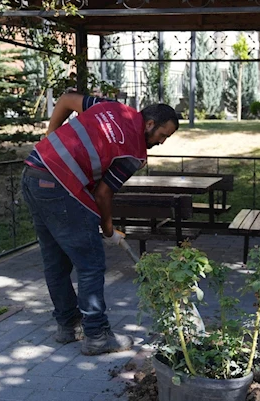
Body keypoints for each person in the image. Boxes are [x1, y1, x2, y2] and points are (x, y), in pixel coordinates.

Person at [21, 92, 179, 355]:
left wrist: (50, 137)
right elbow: (103, 194)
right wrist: (108, 230)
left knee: (55, 261)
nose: (161, 142)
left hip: (33, 173)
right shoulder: (133, 152)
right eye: (163, 135)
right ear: (150, 124)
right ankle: (96, 335)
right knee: (91, 264)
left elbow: (66, 100)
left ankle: (67, 325)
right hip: (61, 185)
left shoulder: (112, 107)